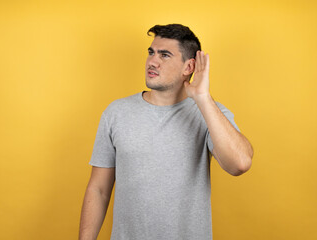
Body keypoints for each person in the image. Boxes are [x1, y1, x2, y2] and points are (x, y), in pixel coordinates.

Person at [79, 23, 254, 240]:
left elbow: (240, 163)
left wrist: (203, 98)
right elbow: (98, 189)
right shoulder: (116, 113)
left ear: (188, 67)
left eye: (165, 55)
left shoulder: (209, 113)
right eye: (151, 52)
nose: (152, 61)